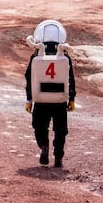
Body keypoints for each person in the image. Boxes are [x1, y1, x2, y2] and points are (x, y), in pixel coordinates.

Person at [24, 20, 76, 167]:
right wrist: (71, 98)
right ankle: (58, 157)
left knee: (39, 127)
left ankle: (44, 147)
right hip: (59, 101)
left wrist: (29, 100)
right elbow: (70, 78)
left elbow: (29, 78)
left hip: (40, 101)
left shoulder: (36, 55)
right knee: (60, 131)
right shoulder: (64, 56)